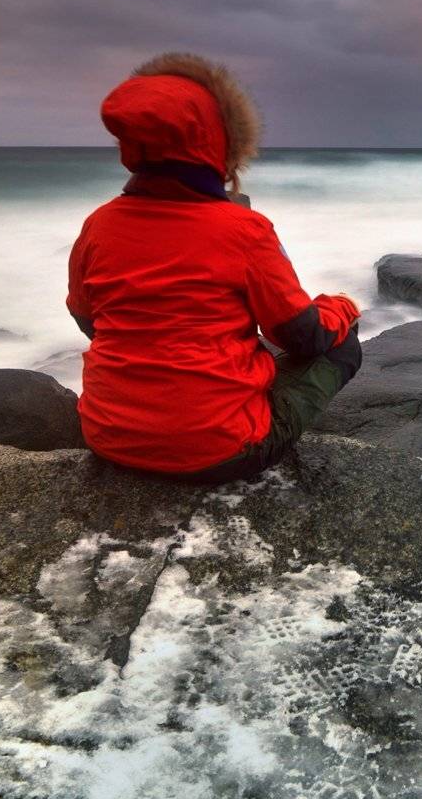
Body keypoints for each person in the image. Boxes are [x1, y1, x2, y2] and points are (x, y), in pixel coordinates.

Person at [66, 52, 361, 482]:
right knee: (343, 343)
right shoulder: (243, 230)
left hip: (109, 437)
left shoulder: (99, 224)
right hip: (217, 452)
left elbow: (87, 318)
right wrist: (343, 306)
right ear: (221, 142)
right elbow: (302, 336)